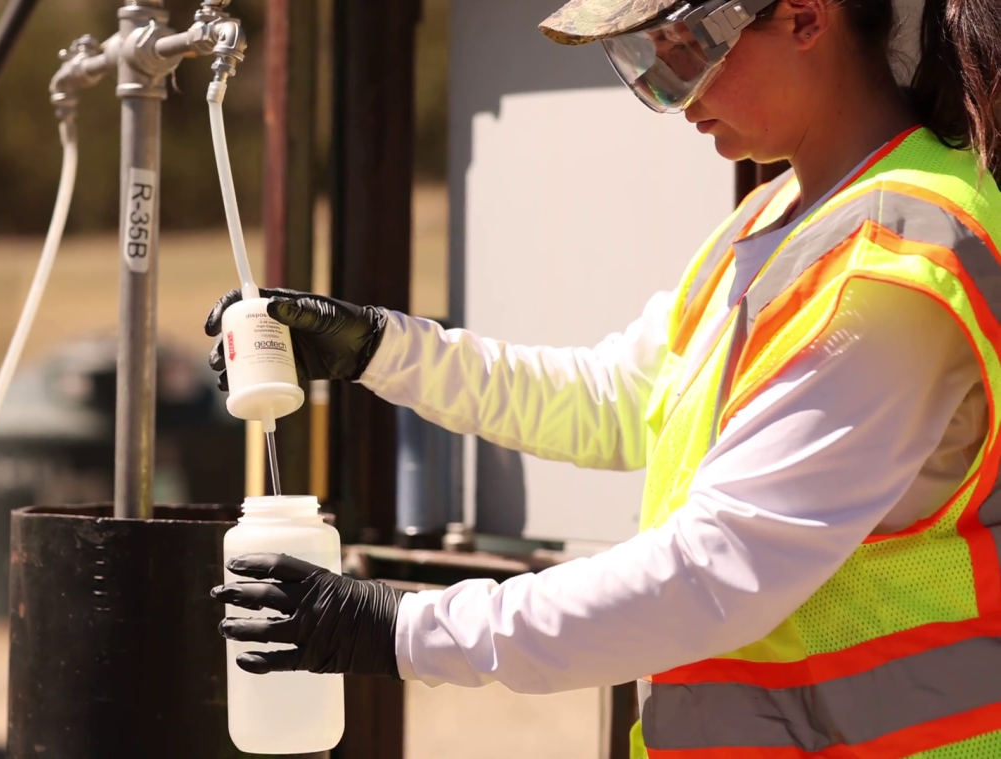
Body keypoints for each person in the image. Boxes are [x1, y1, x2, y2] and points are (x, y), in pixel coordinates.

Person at [206, 0, 1001, 753]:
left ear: (803, 16)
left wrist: (405, 628)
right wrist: (380, 348)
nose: (666, 93)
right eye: (638, 57)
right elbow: (615, 400)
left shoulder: (893, 264)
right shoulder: (780, 217)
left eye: (682, 50)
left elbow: (713, 572)